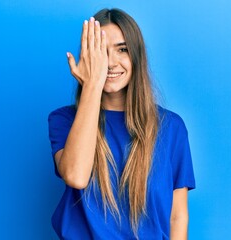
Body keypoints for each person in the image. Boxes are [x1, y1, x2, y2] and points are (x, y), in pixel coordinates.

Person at [48, 8, 195, 240]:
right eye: (101, 52)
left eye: (122, 49)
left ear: (136, 56)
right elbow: (76, 175)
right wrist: (92, 85)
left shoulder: (171, 127)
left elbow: (177, 216)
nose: (111, 62)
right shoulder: (63, 120)